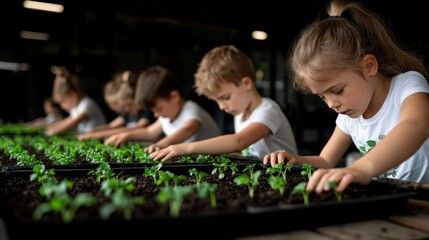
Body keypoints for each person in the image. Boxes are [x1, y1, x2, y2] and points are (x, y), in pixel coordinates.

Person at [263, 0, 429, 194]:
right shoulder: (348, 117)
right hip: (394, 198)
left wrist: (361, 168)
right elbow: (325, 161)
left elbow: (417, 125)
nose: (331, 104)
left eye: (338, 90)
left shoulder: (406, 85)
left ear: (369, 66)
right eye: (322, 97)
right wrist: (296, 160)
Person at [149, 45, 298, 162]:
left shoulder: (267, 111)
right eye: (216, 101)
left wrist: (186, 148)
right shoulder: (239, 114)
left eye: (225, 97)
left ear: (246, 83)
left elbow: (239, 141)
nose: (221, 106)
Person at [104, 65, 222, 152]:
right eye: (153, 111)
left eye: (159, 108)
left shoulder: (191, 110)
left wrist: (161, 144)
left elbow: (189, 129)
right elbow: (149, 132)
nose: (156, 115)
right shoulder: (165, 116)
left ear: (174, 97)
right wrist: (126, 136)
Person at [77, 70, 155, 140]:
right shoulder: (127, 114)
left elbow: (137, 129)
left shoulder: (146, 112)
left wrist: (97, 135)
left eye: (128, 106)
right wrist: (92, 131)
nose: (125, 109)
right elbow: (110, 126)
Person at [45, 66, 107, 136]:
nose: (62, 106)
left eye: (63, 102)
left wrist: (56, 130)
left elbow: (73, 122)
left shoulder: (87, 104)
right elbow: (66, 121)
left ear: (72, 95)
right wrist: (50, 127)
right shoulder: (76, 108)